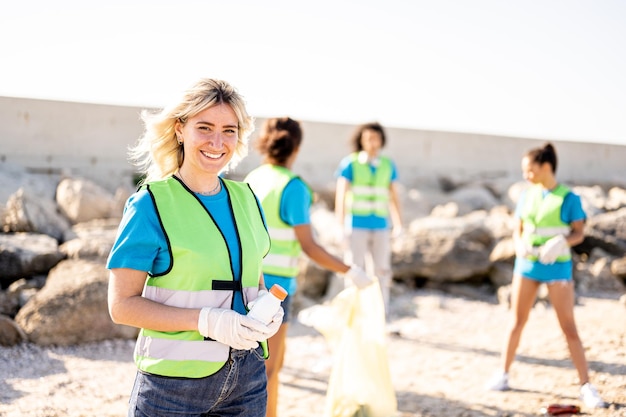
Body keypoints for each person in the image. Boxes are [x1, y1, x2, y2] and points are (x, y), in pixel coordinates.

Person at [106, 78, 284, 417]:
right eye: (205, 127)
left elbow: (253, 283)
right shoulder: (150, 204)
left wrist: (267, 309)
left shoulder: (247, 199)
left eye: (229, 130)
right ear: (179, 129)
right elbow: (121, 306)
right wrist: (205, 321)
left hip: (247, 379)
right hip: (171, 386)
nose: (218, 142)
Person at [244, 117, 373, 417]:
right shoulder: (293, 187)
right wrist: (349, 270)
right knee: (270, 368)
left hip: (245, 282)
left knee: (246, 366)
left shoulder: (253, 177)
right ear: (297, 147)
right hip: (275, 291)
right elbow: (309, 246)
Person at [485, 143, 607, 409]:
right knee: (516, 321)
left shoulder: (569, 198)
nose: (526, 175)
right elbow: (518, 228)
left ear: (546, 167)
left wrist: (562, 242)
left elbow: (579, 233)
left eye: (530, 170)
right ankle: (503, 374)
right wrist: (519, 244)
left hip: (557, 268)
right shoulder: (527, 195)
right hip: (527, 266)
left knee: (568, 327)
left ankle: (586, 386)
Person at [334, 122, 403, 316]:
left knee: (382, 270)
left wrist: (399, 225)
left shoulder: (388, 164)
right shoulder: (350, 163)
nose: (373, 143)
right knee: (355, 271)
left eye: (377, 138)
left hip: (381, 225)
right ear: (362, 140)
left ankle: (380, 314)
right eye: (369, 138)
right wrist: (339, 226)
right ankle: (353, 315)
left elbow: (394, 196)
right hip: (356, 226)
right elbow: (340, 195)